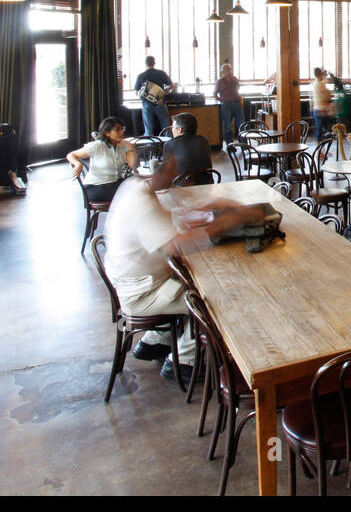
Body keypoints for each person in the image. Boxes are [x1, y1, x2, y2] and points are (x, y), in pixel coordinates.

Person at [103, 154, 260, 382]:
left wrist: (208, 207)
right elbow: (175, 245)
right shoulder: (142, 202)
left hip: (138, 279)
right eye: (171, 170)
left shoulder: (136, 187)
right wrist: (225, 223)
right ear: (159, 171)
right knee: (215, 297)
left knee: (193, 277)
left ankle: (157, 339)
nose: (175, 176)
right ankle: (185, 361)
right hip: (142, 293)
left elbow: (165, 221)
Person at [67, 117, 136, 204]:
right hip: (95, 187)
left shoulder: (122, 146)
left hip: (114, 184)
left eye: (122, 129)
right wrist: (78, 164)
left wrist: (131, 148)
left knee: (139, 187)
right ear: (107, 133)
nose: (122, 132)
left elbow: (132, 167)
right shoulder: (97, 146)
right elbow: (71, 155)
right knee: (133, 193)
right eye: (118, 130)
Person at [163, 112, 214, 184]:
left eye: (173, 128)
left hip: (183, 188)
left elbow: (167, 171)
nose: (172, 130)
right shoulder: (204, 140)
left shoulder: (170, 144)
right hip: (207, 184)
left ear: (179, 129)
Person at [134, 56, 174, 136]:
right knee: (166, 126)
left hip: (147, 104)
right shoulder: (161, 73)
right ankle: (169, 144)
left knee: (149, 128)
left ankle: (150, 146)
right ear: (154, 63)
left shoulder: (141, 76)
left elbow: (136, 92)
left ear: (146, 64)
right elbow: (172, 85)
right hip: (160, 102)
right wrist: (164, 91)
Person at [214, 63, 245, 145]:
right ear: (222, 72)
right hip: (226, 105)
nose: (229, 71)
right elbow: (215, 94)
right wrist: (222, 100)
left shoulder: (235, 79)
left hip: (237, 104)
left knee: (241, 124)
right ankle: (230, 144)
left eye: (230, 69)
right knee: (228, 126)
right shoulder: (219, 82)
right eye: (227, 69)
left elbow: (238, 89)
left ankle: (243, 144)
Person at [311, 68, 334, 141]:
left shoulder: (315, 82)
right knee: (321, 130)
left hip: (317, 108)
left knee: (320, 129)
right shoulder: (320, 84)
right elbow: (326, 96)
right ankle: (320, 149)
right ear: (320, 74)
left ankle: (320, 149)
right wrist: (330, 93)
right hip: (321, 109)